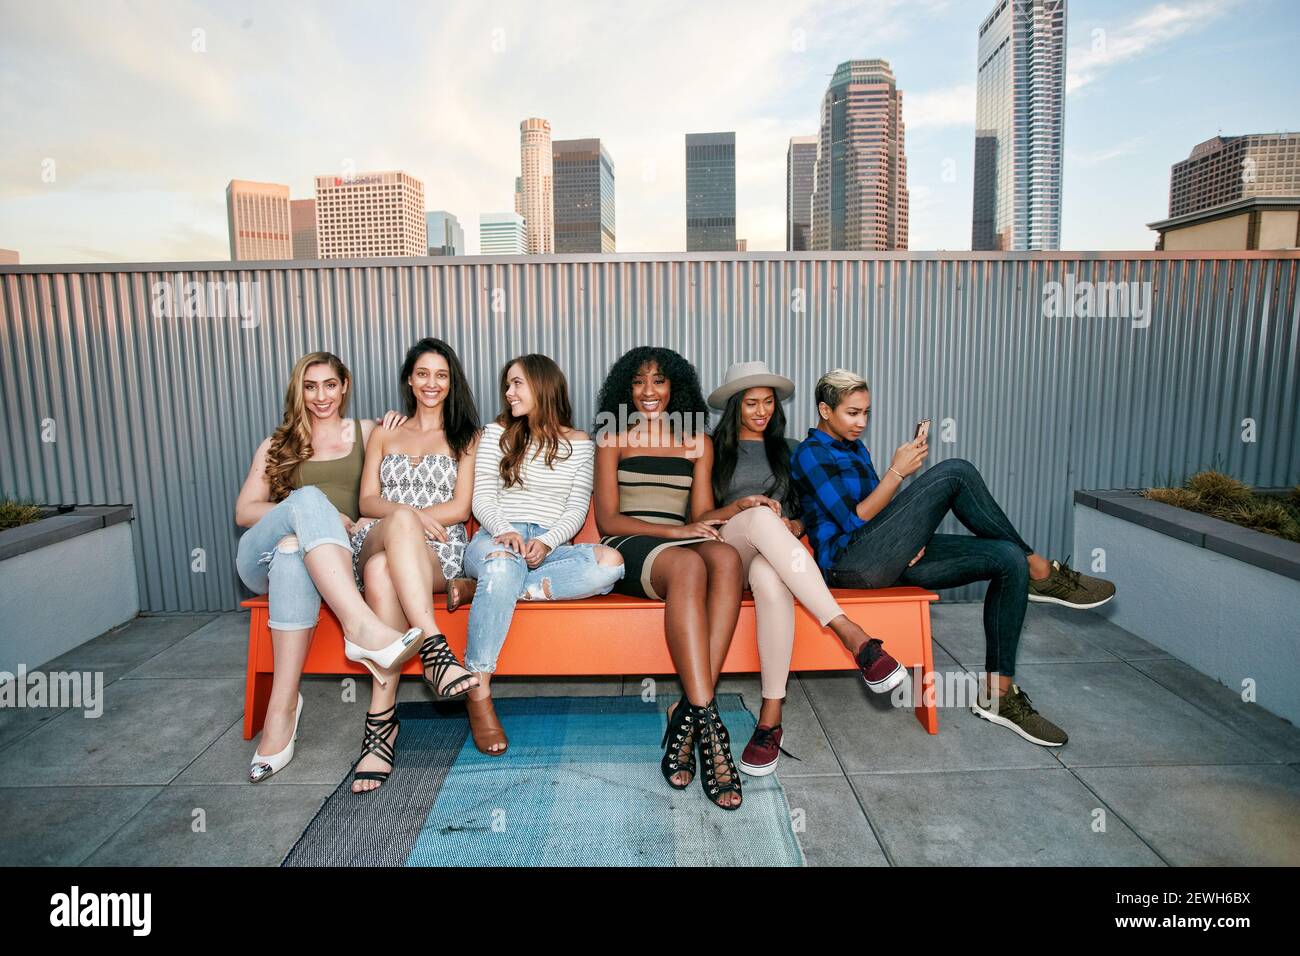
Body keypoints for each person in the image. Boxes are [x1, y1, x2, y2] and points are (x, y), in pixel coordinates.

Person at [791, 369, 1117, 747]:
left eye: (866, 412)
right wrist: (896, 473)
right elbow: (853, 518)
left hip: (883, 555)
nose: (862, 422)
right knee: (956, 472)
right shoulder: (811, 453)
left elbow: (879, 516)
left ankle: (999, 695)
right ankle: (1040, 568)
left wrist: (908, 537)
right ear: (825, 410)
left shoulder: (854, 448)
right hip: (848, 565)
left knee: (1006, 558)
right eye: (852, 413)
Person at [701, 361, 903, 776]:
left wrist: (794, 524)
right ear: (735, 406)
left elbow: (806, 513)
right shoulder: (712, 448)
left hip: (771, 557)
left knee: (771, 580)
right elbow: (701, 514)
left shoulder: (790, 449)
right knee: (758, 517)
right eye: (752, 403)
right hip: (725, 553)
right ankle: (851, 633)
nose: (762, 412)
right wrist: (742, 505)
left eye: (769, 403)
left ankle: (770, 717)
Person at [233, 352, 423, 784]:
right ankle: (361, 627)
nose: (321, 396)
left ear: (345, 386)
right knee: (302, 510)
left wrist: (401, 424)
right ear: (299, 391)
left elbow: (418, 448)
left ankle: (281, 712)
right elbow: (244, 511)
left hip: (326, 566)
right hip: (257, 558)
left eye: (330, 385)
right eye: (310, 386)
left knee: (291, 554)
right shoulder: (276, 443)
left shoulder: (368, 432)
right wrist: (313, 511)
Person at [593, 346, 745, 810]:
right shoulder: (612, 438)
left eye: (659, 381)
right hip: (630, 548)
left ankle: (687, 712)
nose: (648, 391)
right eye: (638, 381)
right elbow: (609, 521)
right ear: (626, 388)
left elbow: (699, 516)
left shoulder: (698, 442)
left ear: (675, 386)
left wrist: (737, 508)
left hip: (678, 542)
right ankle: (711, 730)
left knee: (725, 559)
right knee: (689, 563)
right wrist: (671, 531)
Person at [461, 354, 625, 755]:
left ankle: (485, 589)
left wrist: (549, 542)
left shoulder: (580, 443)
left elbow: (574, 509)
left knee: (611, 564)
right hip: (494, 539)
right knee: (501, 564)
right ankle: (477, 690)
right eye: (507, 385)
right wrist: (507, 532)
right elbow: (482, 497)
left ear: (542, 386)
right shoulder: (494, 433)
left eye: (517, 384)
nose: (508, 393)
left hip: (547, 548)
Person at [347, 337, 482, 792]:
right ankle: (436, 651)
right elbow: (366, 501)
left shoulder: (466, 436)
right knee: (387, 540)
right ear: (409, 378)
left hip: (436, 553)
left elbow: (462, 508)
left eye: (441, 375)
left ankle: (380, 726)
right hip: (379, 533)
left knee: (380, 573)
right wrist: (409, 515)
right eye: (423, 373)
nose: (432, 383)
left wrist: (415, 518)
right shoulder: (385, 433)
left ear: (451, 382)